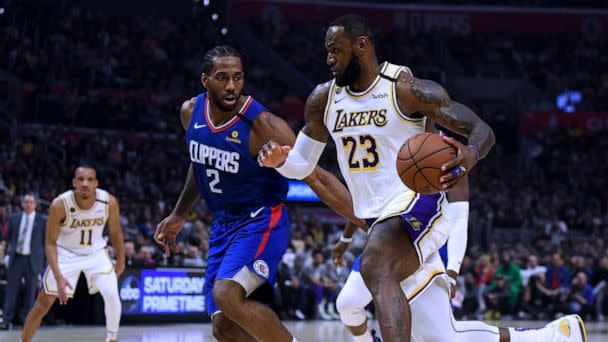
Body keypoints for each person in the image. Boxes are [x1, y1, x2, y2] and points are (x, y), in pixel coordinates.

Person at [259, 14, 495, 341]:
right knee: (442, 335)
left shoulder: (405, 90)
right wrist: (281, 162)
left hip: (419, 202)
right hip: (376, 219)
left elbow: (482, 130)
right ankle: (550, 336)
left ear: (361, 46)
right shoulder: (323, 100)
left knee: (374, 264)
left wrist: (471, 154)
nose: (329, 59)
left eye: (336, 51)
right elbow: (302, 164)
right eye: (327, 51)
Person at [153, 45, 362, 342]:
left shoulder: (263, 125)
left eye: (238, 77)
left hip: (262, 220)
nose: (231, 86)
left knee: (226, 294)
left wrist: (365, 220)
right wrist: (179, 214)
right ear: (205, 80)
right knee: (224, 328)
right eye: (222, 77)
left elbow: (316, 177)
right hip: (223, 227)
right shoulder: (191, 112)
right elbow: (200, 163)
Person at [333, 175, 587, 342]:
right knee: (347, 304)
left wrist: (453, 270)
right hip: (382, 242)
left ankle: (549, 335)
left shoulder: (444, 153)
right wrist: (345, 240)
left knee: (444, 336)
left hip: (419, 242)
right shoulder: (378, 131)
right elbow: (362, 205)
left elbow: (459, 219)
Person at [21, 165, 125, 342]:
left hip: (96, 254)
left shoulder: (109, 201)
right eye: (81, 179)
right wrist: (58, 276)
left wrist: (121, 260)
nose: (85, 183)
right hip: (65, 254)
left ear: (96, 183)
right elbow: (50, 244)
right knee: (42, 304)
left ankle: (112, 338)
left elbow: (115, 232)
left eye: (90, 180)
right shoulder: (59, 204)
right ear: (74, 182)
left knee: (111, 294)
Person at [1, 194, 47, 330]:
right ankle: (7, 320)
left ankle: (27, 321)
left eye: (31, 202)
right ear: (22, 204)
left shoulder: (43, 220)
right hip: (17, 258)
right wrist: (6, 254)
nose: (28, 204)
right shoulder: (14, 218)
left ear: (35, 204)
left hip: (32, 260)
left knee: (30, 293)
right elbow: (7, 238)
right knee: (11, 291)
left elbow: (45, 242)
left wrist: (43, 261)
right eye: (26, 202)